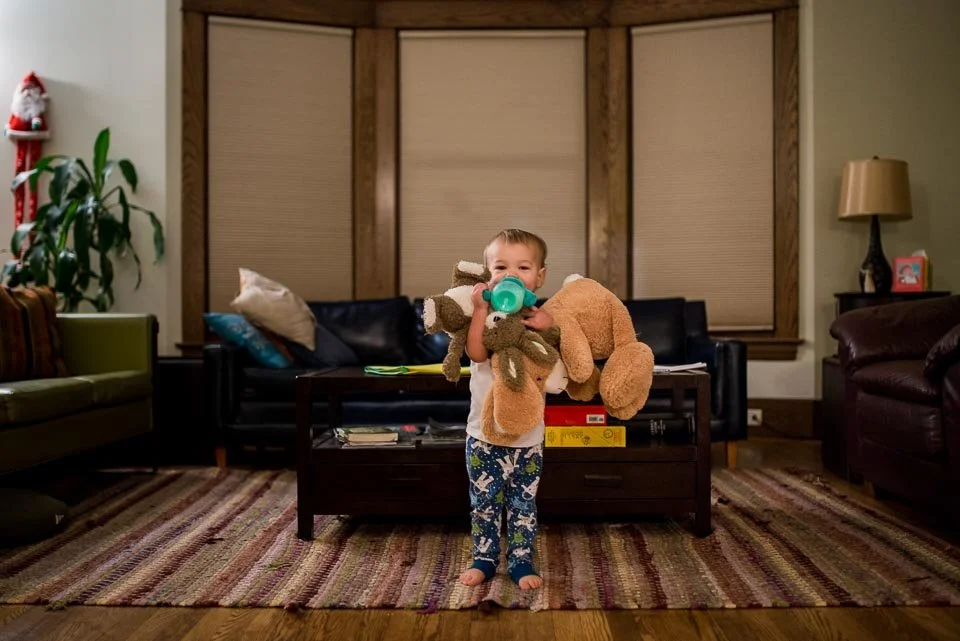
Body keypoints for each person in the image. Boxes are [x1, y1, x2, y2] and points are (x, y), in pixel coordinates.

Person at [458, 228, 554, 591]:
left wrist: (551, 323)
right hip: (482, 436)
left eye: (523, 267)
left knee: (522, 504)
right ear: (487, 274)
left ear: (539, 276)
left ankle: (521, 558)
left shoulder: (540, 318)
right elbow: (477, 354)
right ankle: (483, 557)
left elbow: (555, 355)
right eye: (500, 267)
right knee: (483, 502)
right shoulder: (486, 316)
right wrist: (481, 310)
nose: (511, 275)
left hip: (528, 437)